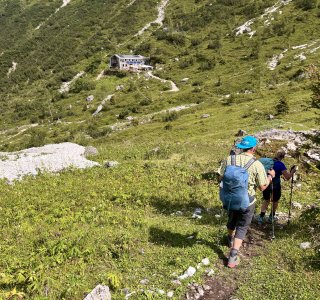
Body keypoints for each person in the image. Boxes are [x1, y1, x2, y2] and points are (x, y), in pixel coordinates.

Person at [219, 136, 275, 268]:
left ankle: (229, 238)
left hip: (230, 198)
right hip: (247, 201)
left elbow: (221, 177)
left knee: (232, 219)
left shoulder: (229, 159)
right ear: (254, 149)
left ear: (241, 147)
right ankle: (232, 256)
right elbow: (262, 187)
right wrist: (270, 176)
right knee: (243, 226)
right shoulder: (256, 164)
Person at [257, 149, 297, 224]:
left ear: (276, 154)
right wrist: (292, 171)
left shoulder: (268, 162)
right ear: (283, 157)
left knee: (266, 200)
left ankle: (261, 217)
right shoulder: (281, 165)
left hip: (266, 184)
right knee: (275, 201)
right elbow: (287, 177)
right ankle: (271, 217)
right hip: (276, 186)